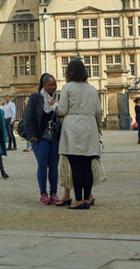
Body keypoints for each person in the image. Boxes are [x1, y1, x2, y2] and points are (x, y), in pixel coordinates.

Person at [57, 58, 102, 209]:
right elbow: (98, 111)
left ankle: (78, 200)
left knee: (76, 166)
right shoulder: (92, 89)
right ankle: (87, 199)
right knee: (87, 165)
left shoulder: (67, 87)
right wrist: (98, 126)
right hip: (89, 126)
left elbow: (62, 110)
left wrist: (54, 105)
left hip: (73, 127)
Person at [22, 73, 60, 204]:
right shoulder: (35, 97)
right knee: (43, 166)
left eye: (55, 84)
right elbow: (28, 117)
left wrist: (56, 105)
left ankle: (54, 193)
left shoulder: (58, 98)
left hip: (54, 137)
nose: (53, 87)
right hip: (39, 137)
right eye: (51, 85)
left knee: (54, 166)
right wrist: (30, 135)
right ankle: (43, 193)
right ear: (43, 85)